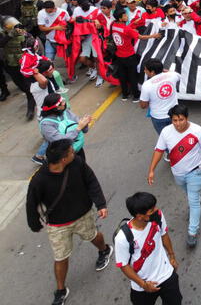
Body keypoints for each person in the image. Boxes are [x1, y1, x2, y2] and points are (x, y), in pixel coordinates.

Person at [26, 139, 112, 305]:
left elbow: (91, 181)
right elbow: (31, 203)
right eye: (72, 151)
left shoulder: (77, 163)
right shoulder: (39, 180)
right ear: (63, 159)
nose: (75, 152)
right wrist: (34, 224)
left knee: (93, 236)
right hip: (57, 225)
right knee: (60, 257)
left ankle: (104, 250)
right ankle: (60, 290)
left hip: (83, 215)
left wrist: (101, 204)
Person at [147, 104, 201, 247]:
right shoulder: (166, 132)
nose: (178, 124)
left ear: (187, 118)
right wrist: (151, 170)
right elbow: (159, 150)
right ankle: (197, 203)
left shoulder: (198, 131)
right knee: (191, 196)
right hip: (178, 174)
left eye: (181, 120)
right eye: (175, 120)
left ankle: (192, 232)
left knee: (192, 201)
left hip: (195, 172)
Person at [115, 192, 182, 305]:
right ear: (139, 216)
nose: (156, 210)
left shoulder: (158, 216)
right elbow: (123, 265)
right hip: (143, 286)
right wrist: (143, 284)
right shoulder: (123, 238)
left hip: (166, 275)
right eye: (151, 210)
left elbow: (164, 234)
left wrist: (172, 256)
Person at [111, 9, 161, 101]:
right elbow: (141, 37)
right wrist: (154, 35)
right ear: (120, 18)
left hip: (119, 55)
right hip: (129, 56)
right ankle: (136, 96)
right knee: (132, 76)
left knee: (122, 76)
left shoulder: (113, 25)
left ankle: (125, 95)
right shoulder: (126, 29)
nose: (127, 16)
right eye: (125, 15)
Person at [39, 93, 92, 162]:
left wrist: (85, 123)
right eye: (62, 102)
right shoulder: (46, 124)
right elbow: (60, 141)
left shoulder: (66, 112)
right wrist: (78, 129)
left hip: (77, 149)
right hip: (63, 156)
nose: (64, 103)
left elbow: (84, 130)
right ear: (57, 107)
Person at [139, 59, 180, 135]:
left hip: (158, 117)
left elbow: (143, 105)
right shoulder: (173, 75)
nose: (144, 71)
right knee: (176, 136)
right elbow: (178, 76)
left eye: (146, 69)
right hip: (174, 114)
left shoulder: (147, 85)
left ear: (152, 72)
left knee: (165, 138)